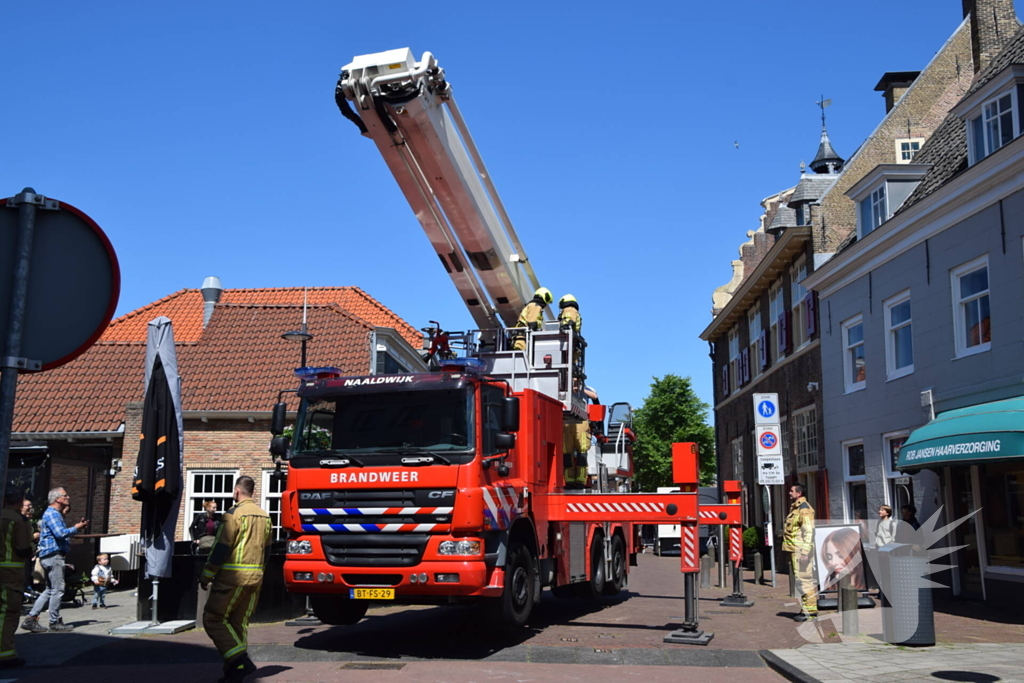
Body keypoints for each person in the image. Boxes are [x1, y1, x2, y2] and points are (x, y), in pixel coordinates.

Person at [200, 476, 271, 683]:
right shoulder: (265, 516)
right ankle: (235, 671)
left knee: (213, 619)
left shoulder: (233, 515)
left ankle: (241, 660)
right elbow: (267, 550)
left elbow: (221, 548)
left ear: (236, 491)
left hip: (232, 578)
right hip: (255, 578)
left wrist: (207, 574)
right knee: (237, 622)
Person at [21, 487, 87, 633]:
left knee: (50, 590)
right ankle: (54, 622)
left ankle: (31, 618)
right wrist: (76, 528)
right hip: (53, 555)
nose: (68, 497)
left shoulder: (53, 514)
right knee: (58, 589)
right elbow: (60, 533)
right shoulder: (53, 514)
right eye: (65, 495)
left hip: (48, 555)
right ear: (57, 499)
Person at [0, 489, 32, 669]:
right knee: (7, 613)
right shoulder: (18, 520)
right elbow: (22, 549)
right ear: (20, 501)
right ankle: (5, 655)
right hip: (9, 574)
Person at [782, 483, 817, 621]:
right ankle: (806, 609)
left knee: (804, 580)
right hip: (795, 550)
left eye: (792, 491)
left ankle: (810, 612)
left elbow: (809, 531)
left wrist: (805, 551)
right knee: (801, 580)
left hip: (801, 550)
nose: (789, 493)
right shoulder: (796, 508)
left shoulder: (804, 509)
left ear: (799, 493)